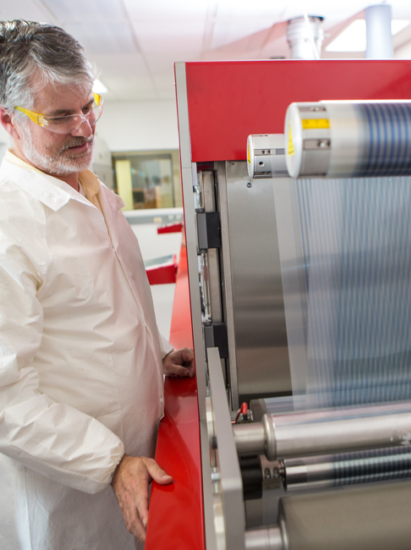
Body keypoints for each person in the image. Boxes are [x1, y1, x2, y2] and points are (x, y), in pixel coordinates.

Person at [0, 20, 194, 549]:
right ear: (8, 121)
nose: (85, 128)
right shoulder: (8, 220)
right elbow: (5, 399)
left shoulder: (90, 189)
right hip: (69, 492)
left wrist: (154, 355)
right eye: (61, 116)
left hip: (138, 457)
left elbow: (106, 309)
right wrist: (107, 463)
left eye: (90, 106)